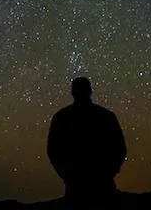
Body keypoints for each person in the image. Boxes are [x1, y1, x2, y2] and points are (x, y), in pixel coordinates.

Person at [47, 76, 127, 208]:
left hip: (76, 185)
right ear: (90, 91)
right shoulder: (106, 116)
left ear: (72, 92)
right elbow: (120, 147)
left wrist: (67, 174)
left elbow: (53, 150)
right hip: (103, 184)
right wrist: (109, 171)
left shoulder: (62, 117)